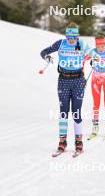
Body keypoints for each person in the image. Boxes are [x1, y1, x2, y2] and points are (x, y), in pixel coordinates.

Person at [40, 22, 99, 154]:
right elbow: (43, 52)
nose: (71, 40)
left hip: (78, 81)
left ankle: (79, 143)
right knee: (63, 112)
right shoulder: (60, 43)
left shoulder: (81, 44)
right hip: (63, 80)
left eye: (74, 37)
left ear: (77, 36)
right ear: (66, 35)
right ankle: (62, 142)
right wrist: (47, 57)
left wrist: (94, 60)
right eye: (69, 37)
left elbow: (96, 55)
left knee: (76, 112)